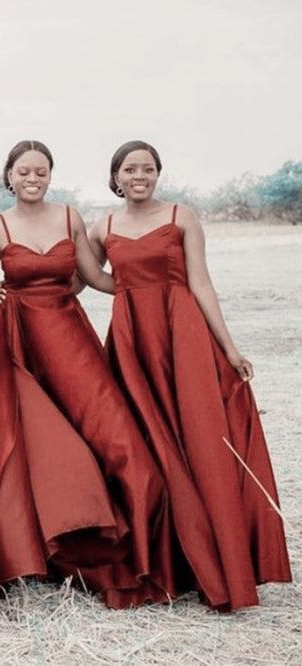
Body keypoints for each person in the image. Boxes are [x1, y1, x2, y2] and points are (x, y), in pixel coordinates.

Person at [0, 140, 177, 609]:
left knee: (117, 439)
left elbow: (92, 278)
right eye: (23, 171)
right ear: (9, 176)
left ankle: (135, 550)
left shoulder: (70, 218)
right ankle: (50, 547)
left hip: (70, 334)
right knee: (46, 447)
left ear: (50, 175)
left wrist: (158, 285)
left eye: (41, 171)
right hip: (17, 344)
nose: (32, 178)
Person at [88, 139, 291, 610]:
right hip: (131, 340)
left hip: (183, 336)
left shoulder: (183, 217)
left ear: (158, 173)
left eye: (149, 168)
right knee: (145, 445)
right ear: (115, 176)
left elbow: (201, 281)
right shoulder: (103, 225)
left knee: (199, 440)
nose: (140, 176)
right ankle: (165, 562)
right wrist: (126, 289)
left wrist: (228, 345)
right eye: (130, 169)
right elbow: (82, 277)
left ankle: (220, 565)